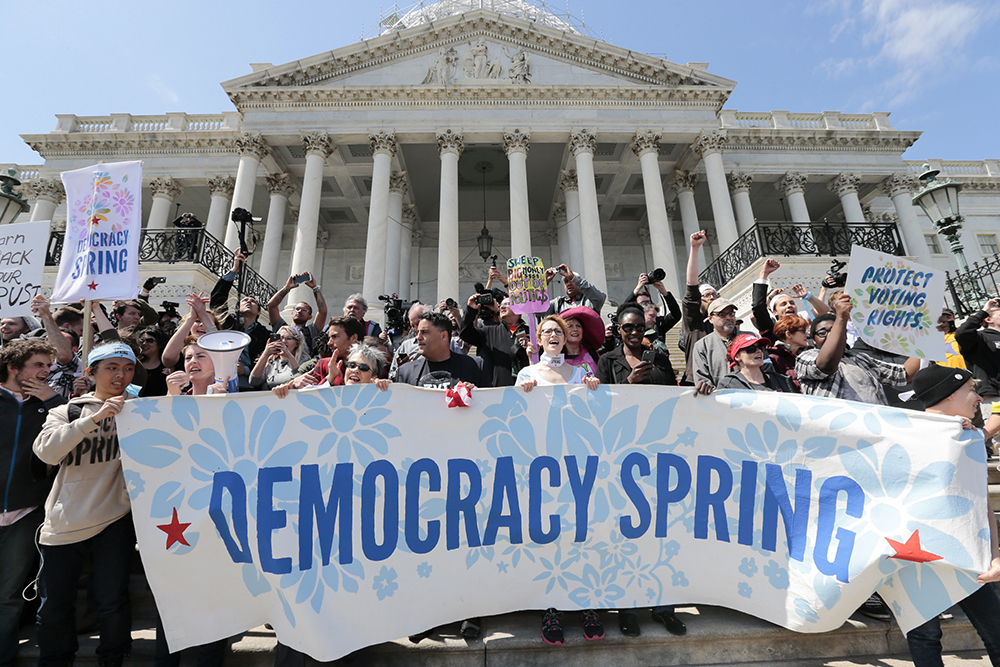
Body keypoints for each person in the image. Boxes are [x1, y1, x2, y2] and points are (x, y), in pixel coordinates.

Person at [33, 342, 137, 667]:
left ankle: (113, 660)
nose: (121, 375)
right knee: (53, 607)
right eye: (111, 367)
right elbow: (46, 452)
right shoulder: (67, 411)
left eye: (128, 368)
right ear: (90, 373)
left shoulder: (142, 410)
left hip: (116, 518)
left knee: (112, 602)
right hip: (65, 522)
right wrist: (91, 420)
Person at [904, 365, 1000, 667]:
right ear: (947, 396)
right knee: (924, 638)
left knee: (997, 632)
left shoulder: (969, 439)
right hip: (913, 557)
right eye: (971, 389)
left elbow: (982, 503)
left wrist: (995, 555)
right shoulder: (904, 435)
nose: (978, 397)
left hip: (967, 555)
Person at [514, 316, 601, 644]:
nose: (553, 335)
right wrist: (521, 394)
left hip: (576, 465)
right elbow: (513, 417)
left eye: (558, 332)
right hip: (540, 466)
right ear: (539, 338)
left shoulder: (581, 374)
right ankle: (551, 607)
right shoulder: (526, 374)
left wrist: (594, 392)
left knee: (582, 533)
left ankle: (587, 605)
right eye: (547, 331)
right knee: (547, 536)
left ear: (567, 340)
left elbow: (594, 416)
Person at [159, 338, 229, 666]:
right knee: (172, 592)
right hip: (179, 513)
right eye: (188, 357)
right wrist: (172, 398)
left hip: (219, 513)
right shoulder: (174, 399)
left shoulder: (233, 399)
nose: (192, 362)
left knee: (217, 595)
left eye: (201, 355)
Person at [0, 340, 64, 667]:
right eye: (38, 365)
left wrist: (52, 400)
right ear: (14, 368)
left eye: (49, 366)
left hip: (26, 514)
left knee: (8, 596)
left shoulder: (52, 406)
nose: (46, 372)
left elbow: (75, 429)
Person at [274, 317, 365, 396]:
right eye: (329, 338)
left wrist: (379, 384)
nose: (329, 343)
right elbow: (288, 386)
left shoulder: (374, 363)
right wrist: (292, 385)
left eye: (335, 337)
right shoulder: (323, 365)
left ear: (353, 338)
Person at [396, 312, 488, 389]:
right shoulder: (405, 372)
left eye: (424, 332)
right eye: (418, 332)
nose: (418, 337)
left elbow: (489, 405)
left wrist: (477, 396)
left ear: (443, 336)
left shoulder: (475, 366)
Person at [209, 250, 271, 363]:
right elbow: (217, 300)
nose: (248, 301)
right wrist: (234, 270)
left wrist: (246, 370)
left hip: (249, 378)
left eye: (253, 301)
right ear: (238, 308)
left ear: (259, 312)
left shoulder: (264, 334)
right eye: (245, 300)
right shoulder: (228, 322)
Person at [955, 298, 1000, 444]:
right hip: (994, 395)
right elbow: (962, 333)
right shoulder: (979, 338)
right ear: (988, 319)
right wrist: (983, 311)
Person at [596, 306, 676, 387]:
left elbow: (673, 391)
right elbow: (604, 396)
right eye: (628, 327)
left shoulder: (661, 360)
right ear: (619, 329)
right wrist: (630, 380)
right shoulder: (607, 361)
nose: (634, 332)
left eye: (640, 327)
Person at [460, 293, 528, 386]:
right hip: (496, 392)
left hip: (526, 390)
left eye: (507, 304)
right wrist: (471, 310)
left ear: (519, 309)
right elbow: (465, 333)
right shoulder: (489, 332)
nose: (502, 307)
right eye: (501, 305)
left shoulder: (531, 332)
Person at [752, 259, 828, 338]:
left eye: (792, 303)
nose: (789, 306)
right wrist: (764, 274)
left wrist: (808, 296)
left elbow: (823, 311)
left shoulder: (801, 317)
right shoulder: (772, 326)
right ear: (775, 312)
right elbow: (758, 307)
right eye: (783, 304)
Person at [679, 230, 718, 384]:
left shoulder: (723, 322)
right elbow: (691, 286)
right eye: (707, 295)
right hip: (696, 382)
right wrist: (695, 249)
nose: (712, 297)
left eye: (715, 294)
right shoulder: (693, 323)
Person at [267, 272, 329, 357]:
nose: (299, 311)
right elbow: (271, 306)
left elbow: (323, 311)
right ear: (292, 313)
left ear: (310, 317)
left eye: (304, 310)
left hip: (303, 367)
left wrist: (315, 288)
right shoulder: (282, 328)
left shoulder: (312, 331)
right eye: (297, 309)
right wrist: (287, 288)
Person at [691, 298, 746, 389]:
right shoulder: (702, 346)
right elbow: (702, 379)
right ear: (710, 319)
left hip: (754, 396)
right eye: (722, 315)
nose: (728, 317)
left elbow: (767, 368)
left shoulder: (750, 338)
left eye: (731, 313)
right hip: (721, 400)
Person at [718, 333, 795, 392]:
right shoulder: (729, 385)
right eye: (751, 349)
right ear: (737, 357)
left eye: (761, 347)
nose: (759, 351)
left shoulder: (779, 379)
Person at [768, 315, 810, 391]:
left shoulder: (811, 351)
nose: (807, 335)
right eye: (803, 331)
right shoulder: (774, 357)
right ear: (788, 334)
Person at [559, 306, 603, 377]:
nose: (575, 329)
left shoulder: (592, 353)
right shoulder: (556, 356)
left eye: (578, 326)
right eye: (570, 326)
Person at [137, 327, 170, 397]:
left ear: (160, 344)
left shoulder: (168, 366)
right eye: (142, 341)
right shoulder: (135, 365)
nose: (144, 343)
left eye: (150, 340)